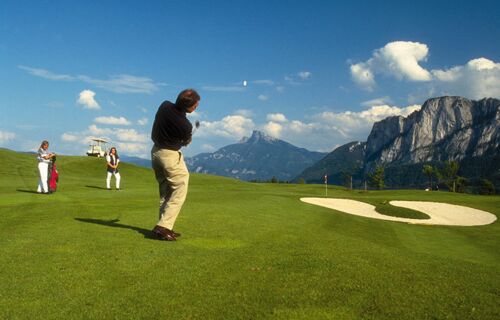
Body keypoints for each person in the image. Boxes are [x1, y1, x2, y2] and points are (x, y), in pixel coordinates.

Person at [150, 89, 200, 241]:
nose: (196, 107)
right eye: (195, 105)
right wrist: (187, 138)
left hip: (155, 153)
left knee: (166, 190)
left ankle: (164, 227)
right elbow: (185, 142)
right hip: (169, 157)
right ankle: (163, 226)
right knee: (180, 188)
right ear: (188, 105)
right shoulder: (185, 125)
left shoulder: (164, 106)